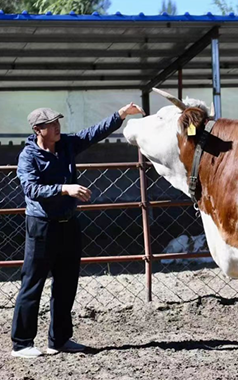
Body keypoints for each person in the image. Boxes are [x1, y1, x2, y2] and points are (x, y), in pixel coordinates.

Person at [11, 102, 144, 358]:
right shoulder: (28, 156)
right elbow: (32, 190)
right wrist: (65, 188)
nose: (57, 126)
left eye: (57, 122)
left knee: (66, 282)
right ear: (39, 129)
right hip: (41, 225)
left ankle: (59, 339)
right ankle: (22, 343)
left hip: (68, 223)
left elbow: (93, 133)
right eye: (52, 124)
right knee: (32, 283)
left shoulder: (67, 144)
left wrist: (121, 115)